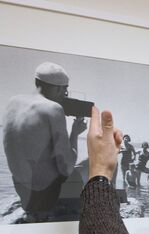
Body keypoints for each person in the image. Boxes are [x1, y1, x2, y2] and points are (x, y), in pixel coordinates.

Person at [2, 61, 87, 214]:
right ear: (57, 88)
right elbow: (66, 168)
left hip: (22, 189)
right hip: (43, 197)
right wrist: (75, 133)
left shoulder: (12, 102)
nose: (64, 95)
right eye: (64, 90)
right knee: (87, 165)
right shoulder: (54, 108)